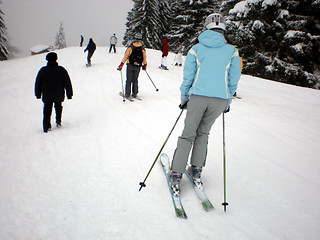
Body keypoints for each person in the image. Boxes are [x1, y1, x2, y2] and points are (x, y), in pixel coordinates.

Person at [168, 13, 242, 196]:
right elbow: (234, 78)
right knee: (203, 132)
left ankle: (176, 172)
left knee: (188, 134)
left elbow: (188, 76)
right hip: (219, 100)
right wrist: (228, 97)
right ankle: (196, 169)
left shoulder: (196, 49)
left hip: (198, 97)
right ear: (223, 28)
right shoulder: (232, 51)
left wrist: (184, 96)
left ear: (206, 27)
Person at [34, 52, 73, 133]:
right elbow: (67, 82)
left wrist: (38, 94)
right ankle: (58, 121)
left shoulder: (43, 70)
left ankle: (46, 126)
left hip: (47, 94)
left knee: (47, 109)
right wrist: (69, 94)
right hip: (58, 93)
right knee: (58, 106)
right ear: (56, 59)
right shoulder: (61, 70)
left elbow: (38, 83)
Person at [117, 33, 147, 100]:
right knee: (135, 79)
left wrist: (121, 64)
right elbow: (144, 57)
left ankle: (127, 94)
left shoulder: (131, 47)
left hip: (130, 65)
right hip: (138, 66)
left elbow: (126, 56)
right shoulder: (142, 48)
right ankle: (135, 93)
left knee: (129, 80)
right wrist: (145, 65)